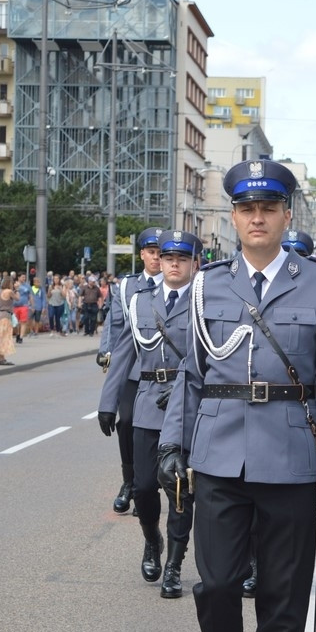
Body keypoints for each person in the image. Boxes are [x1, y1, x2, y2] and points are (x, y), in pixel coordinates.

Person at [156, 159, 316, 632]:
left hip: (291, 460)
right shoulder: (207, 284)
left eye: (268, 208)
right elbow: (192, 373)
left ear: (287, 215)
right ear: (235, 216)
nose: (257, 217)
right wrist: (172, 443)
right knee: (218, 584)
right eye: (247, 209)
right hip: (219, 456)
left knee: (284, 594)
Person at [99, 230, 201, 598]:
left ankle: (173, 565)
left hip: (186, 407)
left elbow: (211, 356)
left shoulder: (204, 302)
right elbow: (124, 352)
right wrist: (108, 403)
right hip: (146, 404)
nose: (172, 264)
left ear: (194, 264)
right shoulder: (141, 302)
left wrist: (186, 386)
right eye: (168, 258)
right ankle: (151, 539)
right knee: (143, 487)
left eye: (181, 259)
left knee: (179, 489)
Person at [99, 227, 165, 515]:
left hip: (162, 369)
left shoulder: (176, 284)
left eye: (161, 253)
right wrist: (105, 351)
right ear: (142, 254)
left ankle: (148, 486)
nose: (156, 258)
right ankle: (129, 482)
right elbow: (115, 324)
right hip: (133, 368)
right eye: (151, 252)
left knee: (158, 428)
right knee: (126, 421)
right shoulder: (127, 286)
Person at [0, 276, 16, 366]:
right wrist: (17, 289)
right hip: (6, 316)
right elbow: (17, 298)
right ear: (9, 283)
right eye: (12, 283)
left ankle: (1, 358)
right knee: (5, 337)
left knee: (0, 337)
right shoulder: (9, 291)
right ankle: (2, 358)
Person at [13, 274, 32, 343]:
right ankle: (17, 334)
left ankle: (21, 337)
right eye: (22, 277)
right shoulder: (14, 285)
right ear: (18, 278)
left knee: (23, 322)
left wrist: (32, 306)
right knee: (15, 323)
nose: (24, 278)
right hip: (15, 306)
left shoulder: (27, 286)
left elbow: (30, 296)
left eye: (24, 277)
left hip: (24, 305)